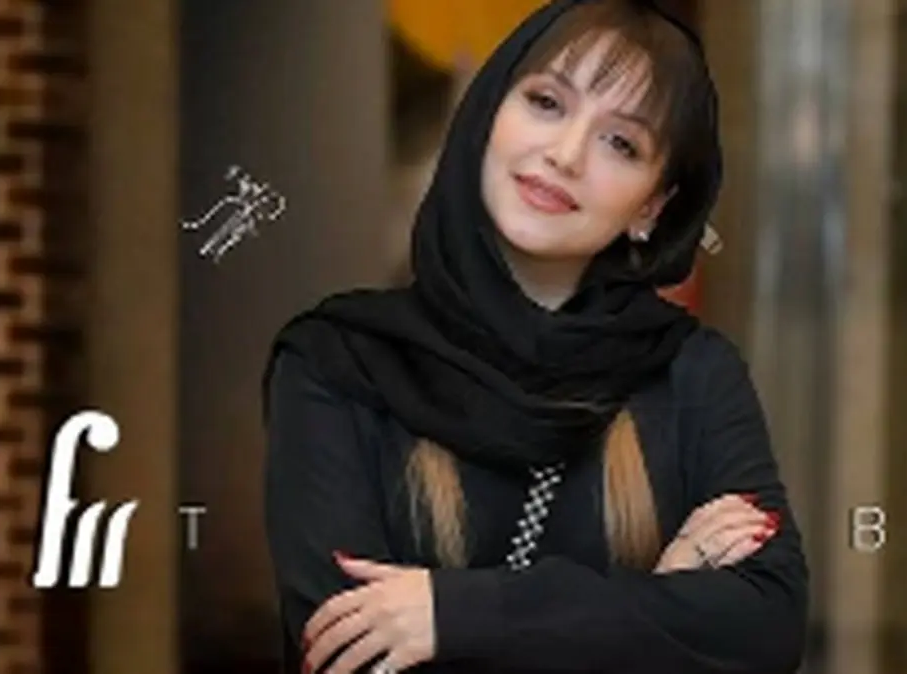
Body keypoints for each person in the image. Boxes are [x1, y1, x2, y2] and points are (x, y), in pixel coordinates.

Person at [262, 1, 809, 672]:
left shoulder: (691, 373)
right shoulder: (336, 363)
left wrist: (456, 616)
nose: (566, 154)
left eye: (621, 143)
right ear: (488, 110)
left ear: (651, 206)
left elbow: (767, 627)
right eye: (547, 103)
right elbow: (348, 653)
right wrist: (658, 605)